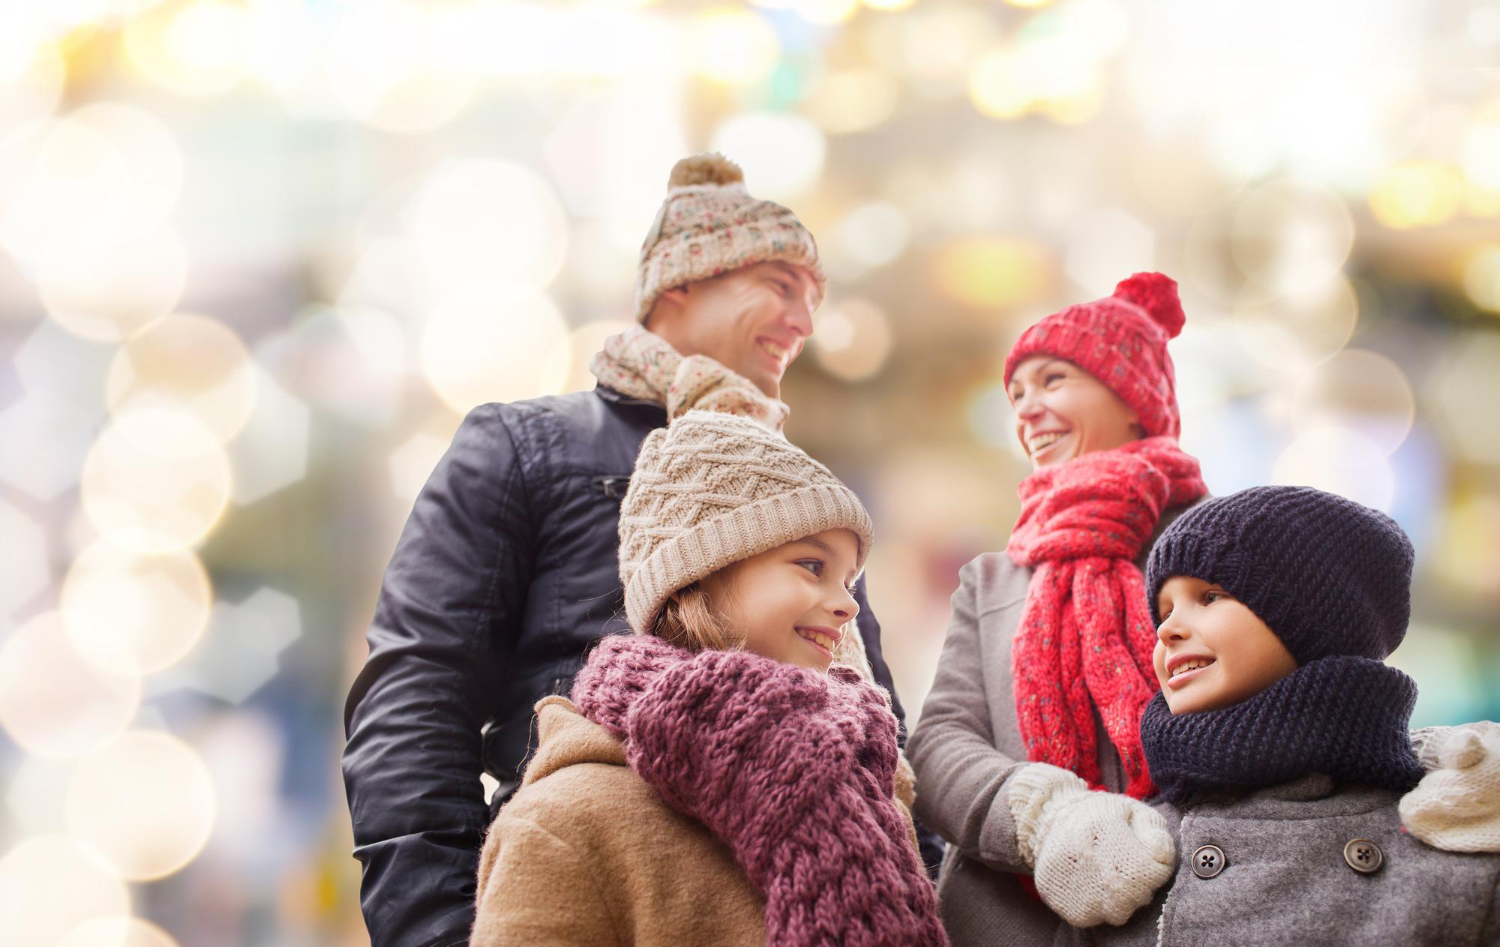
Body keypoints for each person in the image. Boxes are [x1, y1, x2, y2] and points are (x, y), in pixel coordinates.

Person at [342, 154, 910, 947]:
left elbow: (879, 719)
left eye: (814, 300)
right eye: (780, 286)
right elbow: (417, 695)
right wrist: (444, 932)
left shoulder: (802, 497)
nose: (804, 322)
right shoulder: (525, 446)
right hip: (594, 896)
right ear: (680, 284)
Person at [907, 273, 1500, 945]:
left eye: (1053, 381)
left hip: (1183, 888)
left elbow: (1310, 700)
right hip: (1010, 914)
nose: (1028, 408)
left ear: (1133, 395)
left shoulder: (1224, 542)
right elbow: (938, 743)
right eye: (1017, 392)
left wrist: (1425, 759)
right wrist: (1045, 819)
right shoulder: (996, 577)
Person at [470, 410, 947, 947]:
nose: (846, 605)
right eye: (812, 565)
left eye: (849, 581)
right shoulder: (566, 823)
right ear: (700, 573)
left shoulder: (868, 785)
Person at [1039, 485, 1500, 945]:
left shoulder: (1456, 830)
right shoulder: (1126, 858)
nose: (1167, 629)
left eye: (1211, 596)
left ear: (1317, 618)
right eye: (1163, 609)